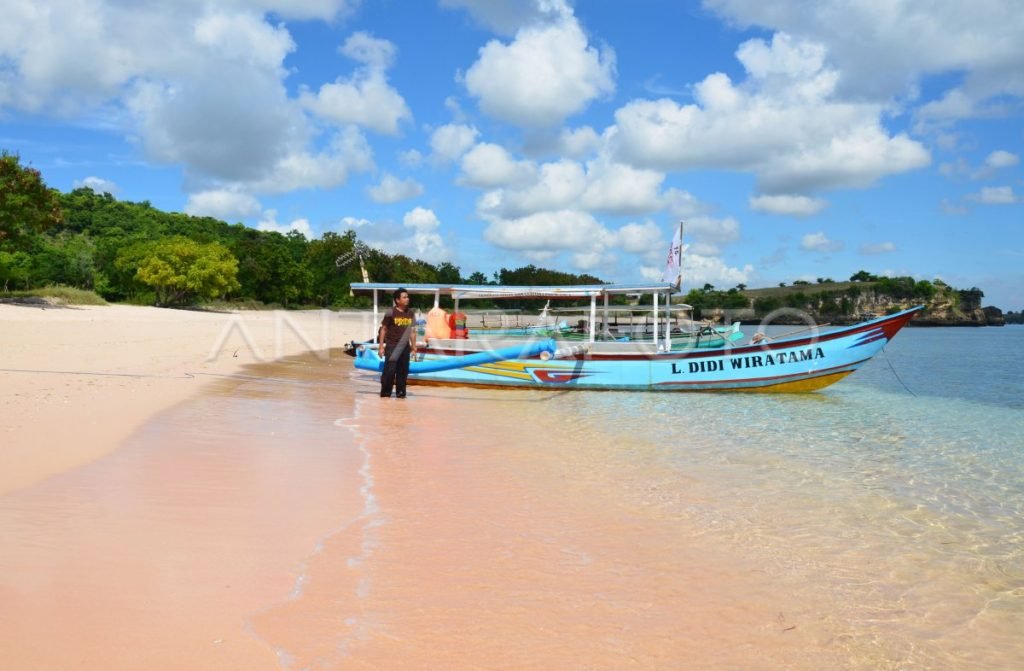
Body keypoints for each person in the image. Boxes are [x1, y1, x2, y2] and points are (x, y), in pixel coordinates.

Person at [377, 288, 417, 398]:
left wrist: (414, 347)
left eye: (407, 297)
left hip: (405, 348)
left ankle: (401, 395)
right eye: (404, 297)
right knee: (389, 372)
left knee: (403, 373)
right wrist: (381, 347)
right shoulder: (391, 312)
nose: (407, 299)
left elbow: (412, 332)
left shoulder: (410, 313)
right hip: (392, 346)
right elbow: (383, 329)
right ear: (397, 300)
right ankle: (385, 395)